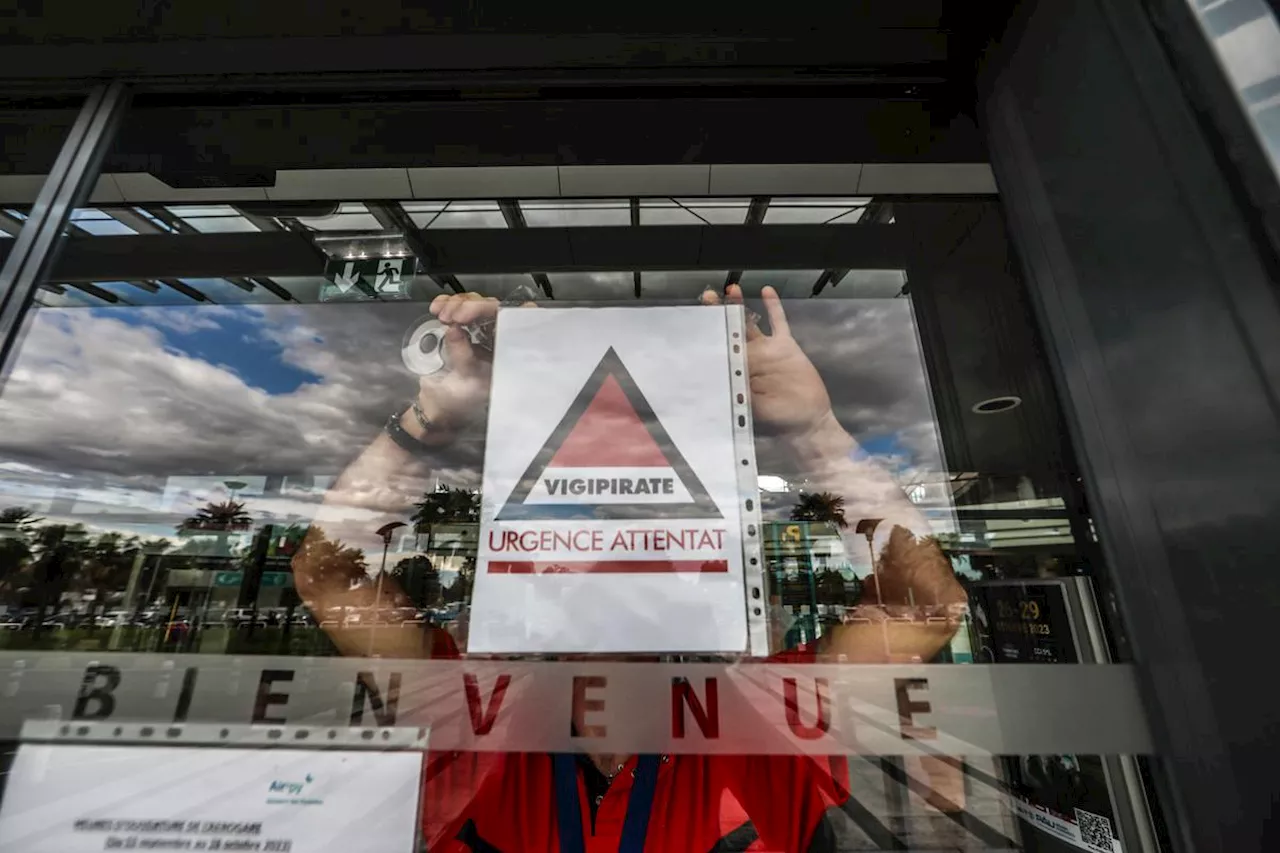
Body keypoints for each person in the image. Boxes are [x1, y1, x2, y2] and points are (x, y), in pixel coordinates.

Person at [293, 285, 966, 852]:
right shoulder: (476, 713)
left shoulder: (756, 719)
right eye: (582, 557)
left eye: (642, 558)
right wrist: (429, 423)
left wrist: (816, 430)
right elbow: (331, 576)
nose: (610, 582)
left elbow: (923, 608)